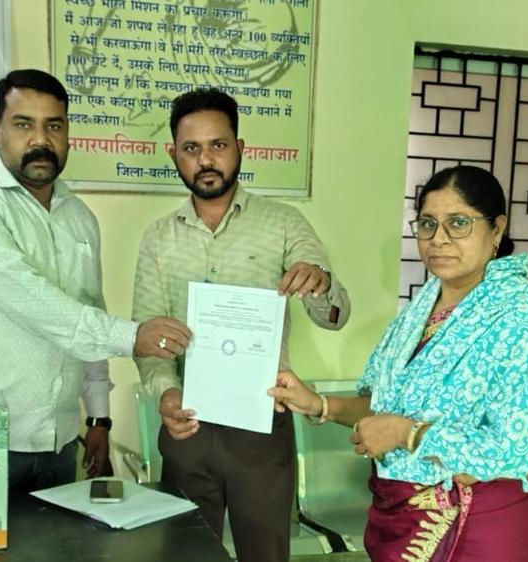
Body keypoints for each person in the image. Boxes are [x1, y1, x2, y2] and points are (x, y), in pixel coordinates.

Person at [270, 165, 528, 562]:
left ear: (497, 229)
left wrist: (408, 434)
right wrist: (320, 405)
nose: (439, 239)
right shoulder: (425, 305)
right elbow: (386, 409)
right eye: (428, 224)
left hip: (480, 532)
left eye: (459, 223)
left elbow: (524, 454)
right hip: (405, 522)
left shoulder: (521, 319)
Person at [0, 69, 192, 492]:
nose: (41, 140)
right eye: (23, 124)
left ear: (67, 132)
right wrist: (132, 336)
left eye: (53, 126)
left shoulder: (80, 219)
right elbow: (32, 301)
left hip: (59, 441)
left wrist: (98, 418)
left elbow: (88, 310)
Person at [132, 88, 351, 561]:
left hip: (262, 426)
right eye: (191, 148)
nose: (205, 160)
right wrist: (165, 393)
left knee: (265, 554)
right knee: (187, 555)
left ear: (240, 148)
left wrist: (320, 282)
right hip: (188, 425)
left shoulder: (285, 223)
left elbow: (333, 316)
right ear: (173, 154)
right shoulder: (157, 239)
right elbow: (148, 339)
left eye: (218, 145)